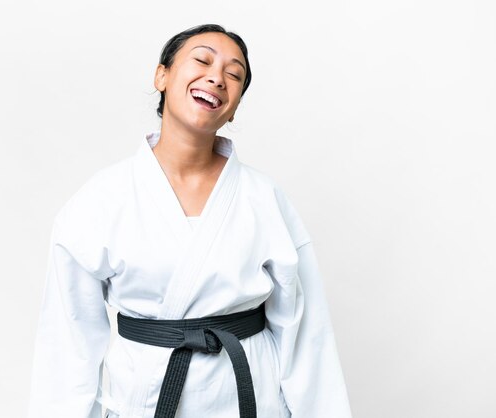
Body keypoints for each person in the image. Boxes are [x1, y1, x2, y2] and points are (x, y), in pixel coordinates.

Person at [27, 24, 352, 418]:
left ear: (234, 107)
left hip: (250, 402)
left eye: (234, 75)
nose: (217, 77)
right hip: (144, 405)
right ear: (161, 75)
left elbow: (306, 336)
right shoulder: (101, 200)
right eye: (202, 60)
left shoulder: (264, 198)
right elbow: (68, 344)